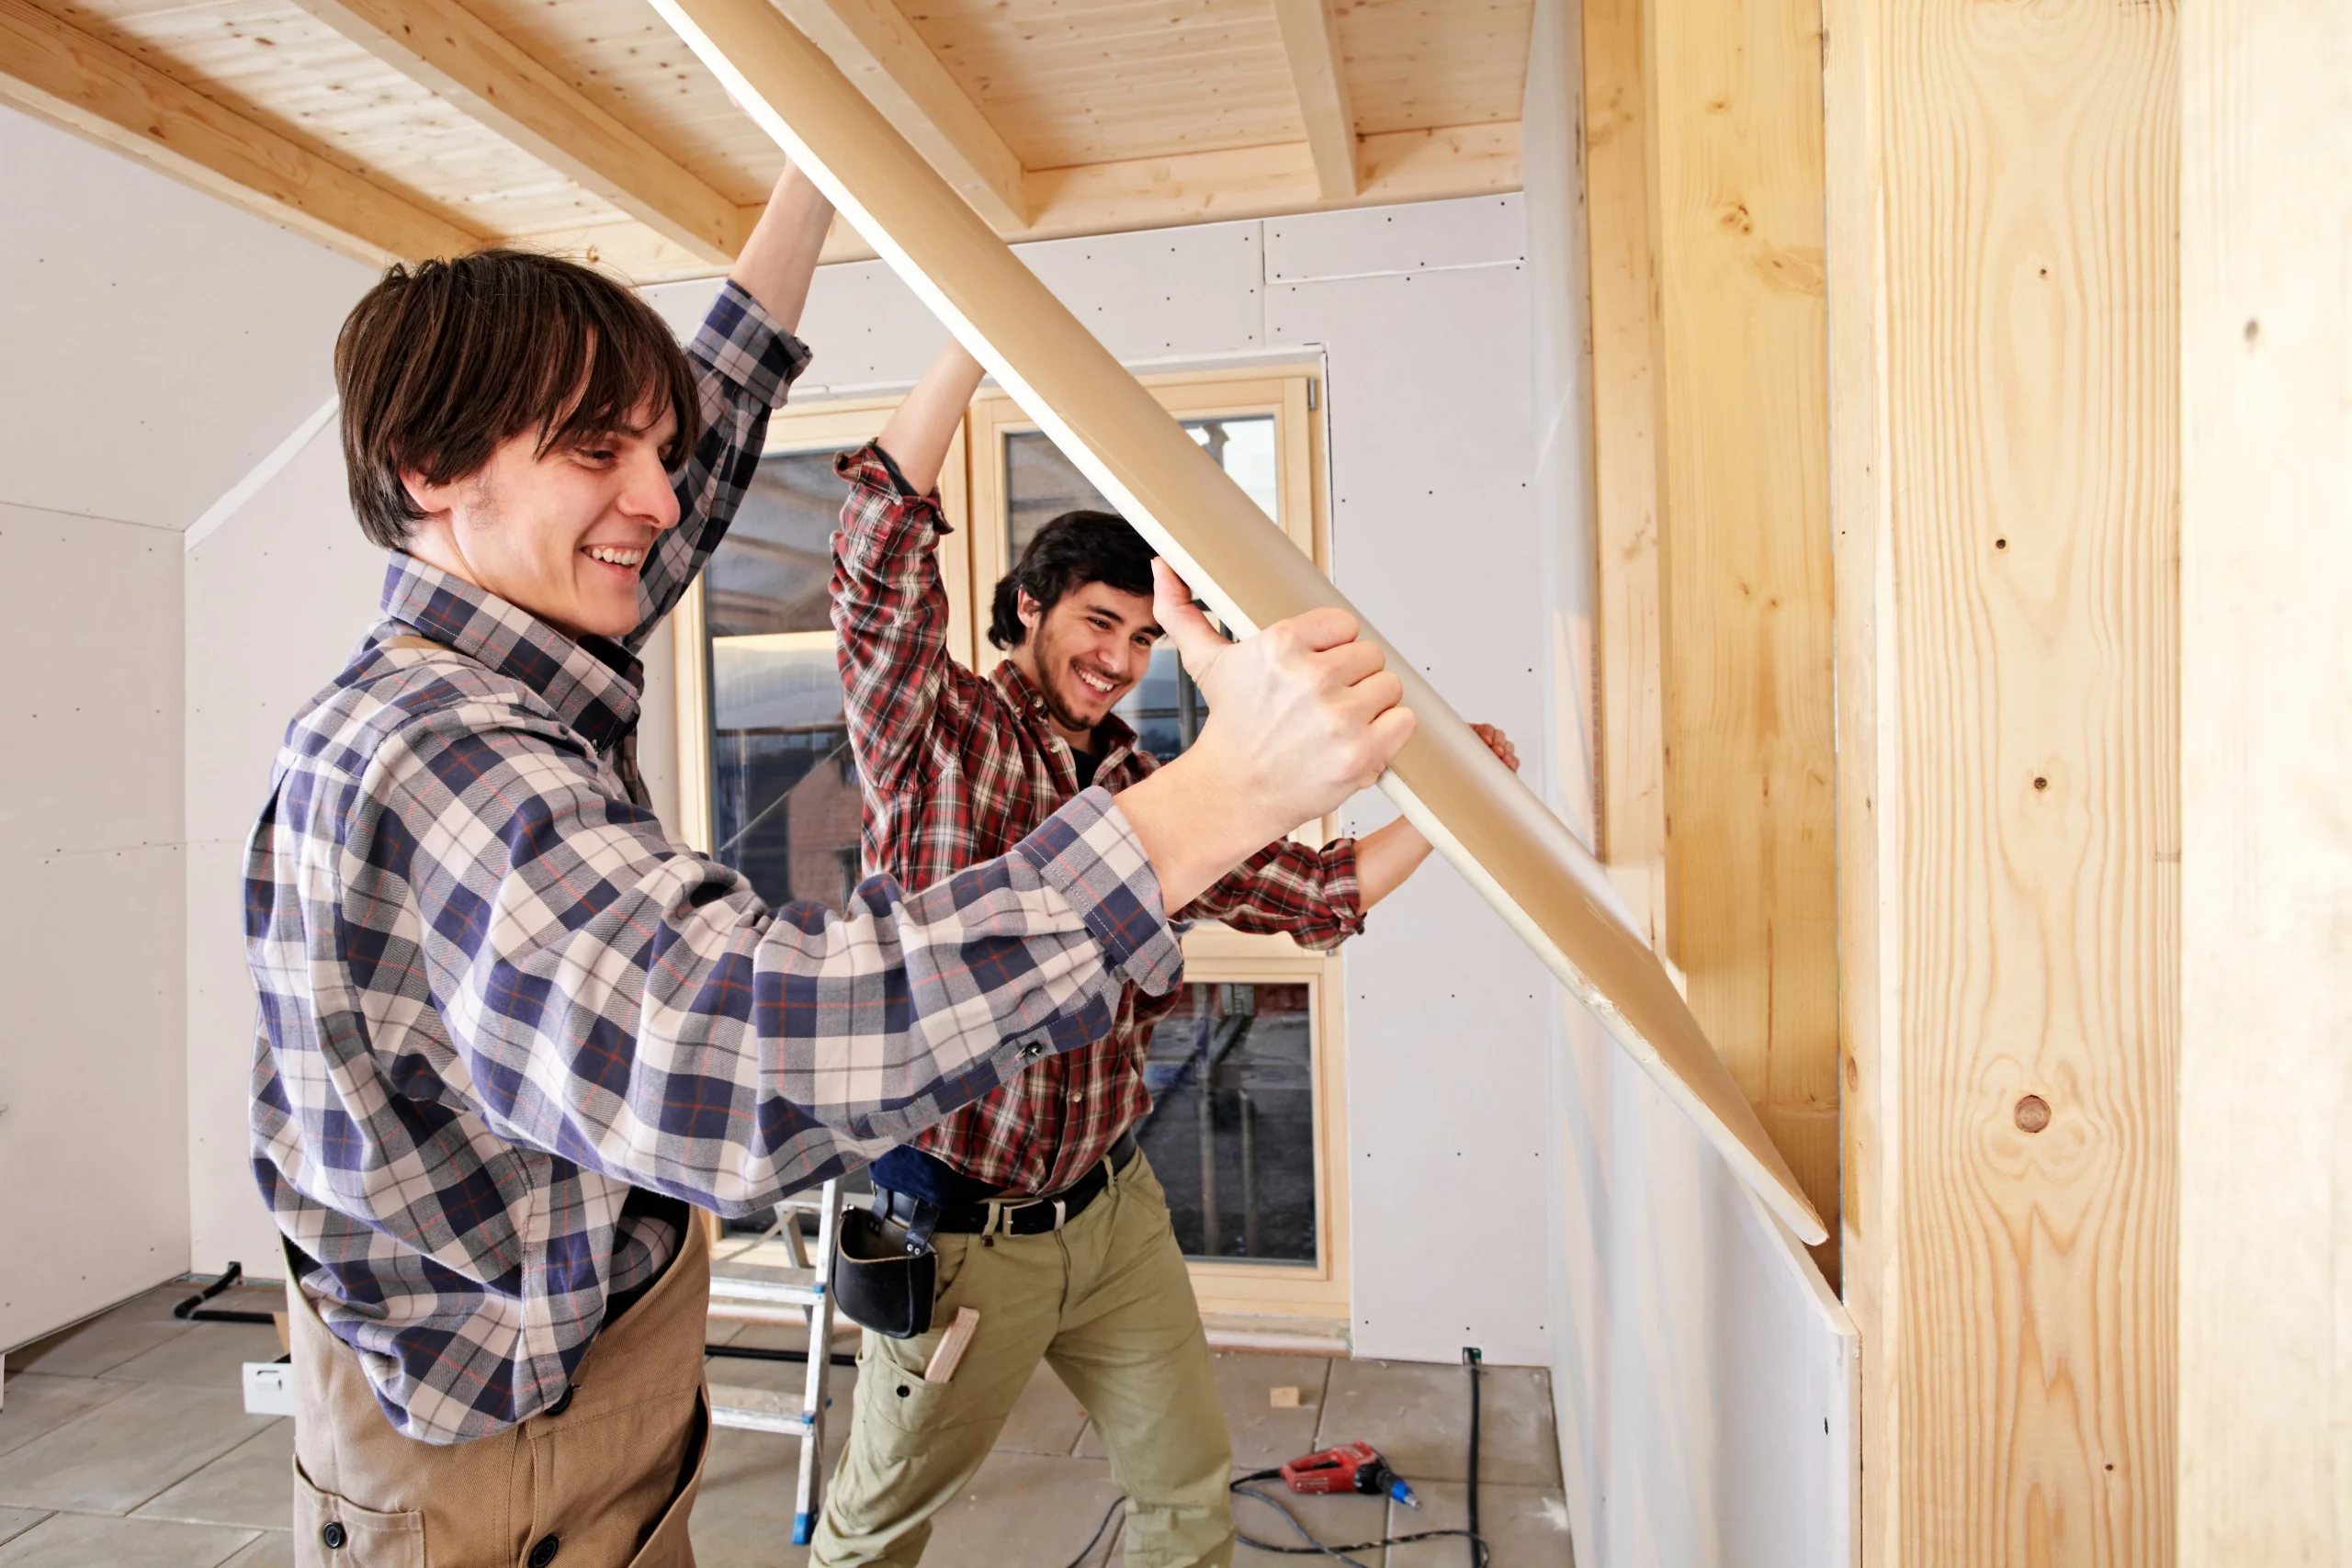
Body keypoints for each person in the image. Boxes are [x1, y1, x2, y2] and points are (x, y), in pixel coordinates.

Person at [244, 164, 1417, 1568]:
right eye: (594, 451)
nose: (657, 499)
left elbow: (708, 430)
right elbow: (740, 1049)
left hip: (644, 1370)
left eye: (655, 449)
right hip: (490, 1449)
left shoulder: (535, 650)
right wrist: (1226, 786)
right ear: (433, 475)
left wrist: (819, 171)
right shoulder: (436, 753)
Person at [812, 341, 1520, 1567]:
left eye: (1145, 636)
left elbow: (1319, 891)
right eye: (1100, 621)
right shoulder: (940, 732)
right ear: (1028, 607)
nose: (1122, 658)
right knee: (875, 1530)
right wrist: (970, 342)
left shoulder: (1152, 784)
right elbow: (877, 556)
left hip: (1116, 1211)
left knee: (1187, 1494)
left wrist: (1462, 803)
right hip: (971, 1237)